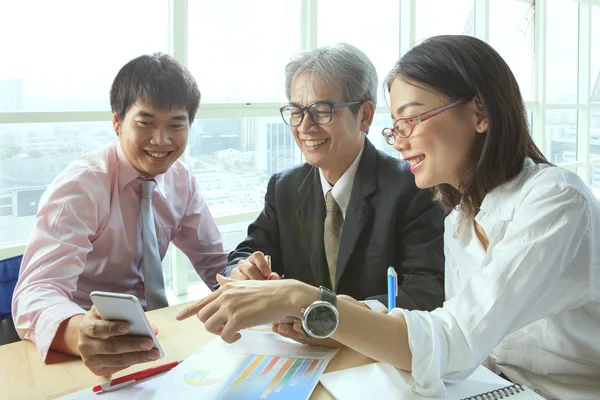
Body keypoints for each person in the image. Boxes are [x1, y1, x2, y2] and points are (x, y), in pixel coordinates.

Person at [177, 36, 600, 399]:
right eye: (395, 125)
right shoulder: (459, 215)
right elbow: (453, 336)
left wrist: (304, 300)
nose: (400, 140)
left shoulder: (555, 200)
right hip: (483, 384)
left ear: (480, 113)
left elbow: (450, 333)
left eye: (412, 119)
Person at [12, 53, 228, 376]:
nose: (161, 140)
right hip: (88, 349)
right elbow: (35, 293)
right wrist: (79, 333)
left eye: (176, 125)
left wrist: (247, 281)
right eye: (146, 123)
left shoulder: (181, 181)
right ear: (117, 121)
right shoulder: (81, 187)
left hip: (157, 340)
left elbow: (216, 265)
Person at [224, 43, 445, 323]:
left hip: (376, 354)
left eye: (321, 110)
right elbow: (245, 251)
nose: (305, 126)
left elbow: (426, 290)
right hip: (300, 353)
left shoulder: (412, 188)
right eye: (296, 111)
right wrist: (243, 270)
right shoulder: (284, 188)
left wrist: (334, 318)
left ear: (364, 115)